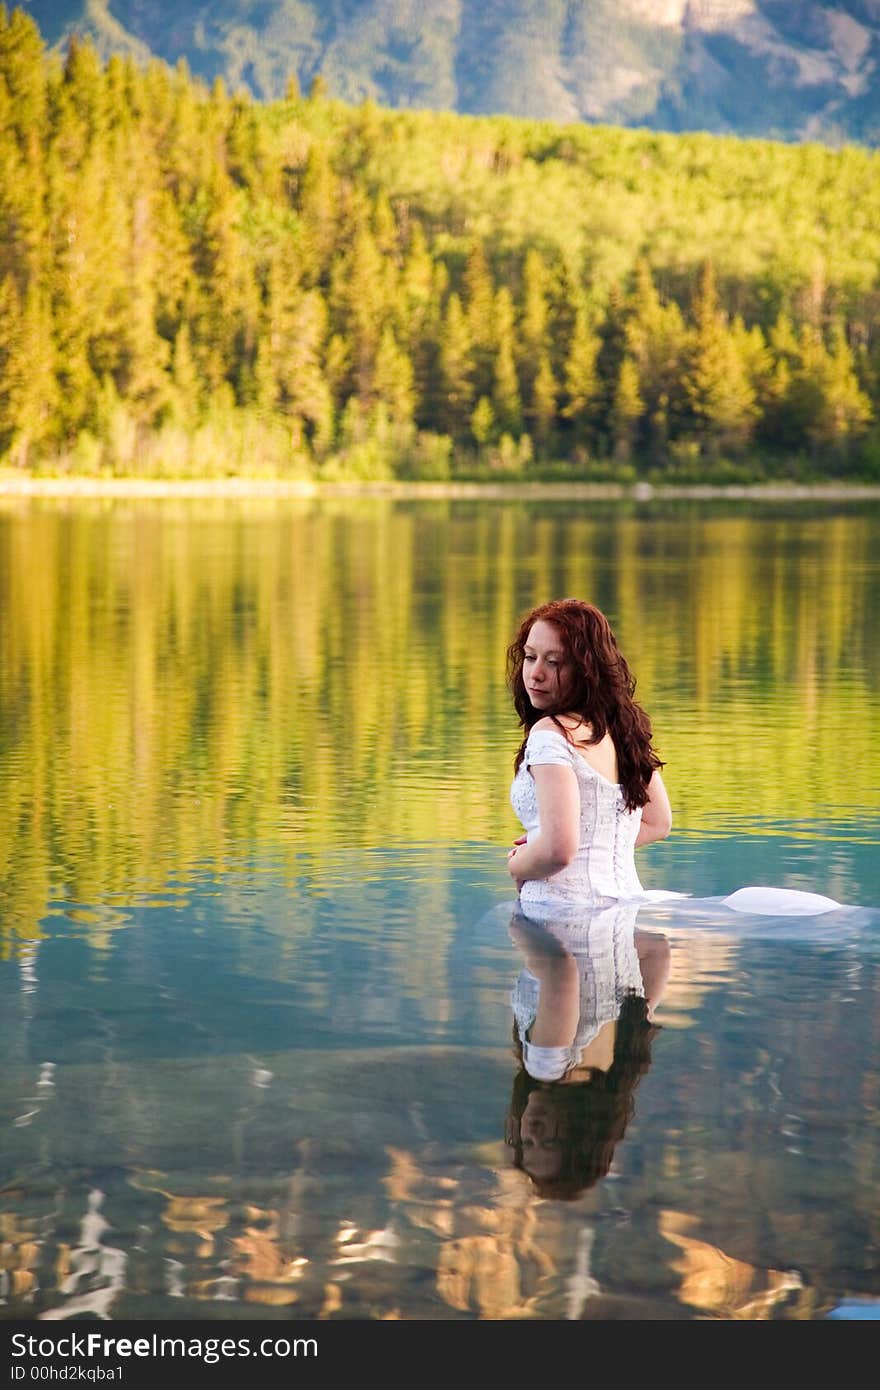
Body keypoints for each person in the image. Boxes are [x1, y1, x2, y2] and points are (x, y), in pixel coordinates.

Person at [505, 598, 675, 916]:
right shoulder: (621, 728)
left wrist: (520, 865)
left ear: (586, 670)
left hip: (558, 913)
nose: (535, 673)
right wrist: (572, 842)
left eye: (554, 662)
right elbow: (658, 822)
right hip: (624, 911)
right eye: (530, 657)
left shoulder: (549, 735)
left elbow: (559, 851)